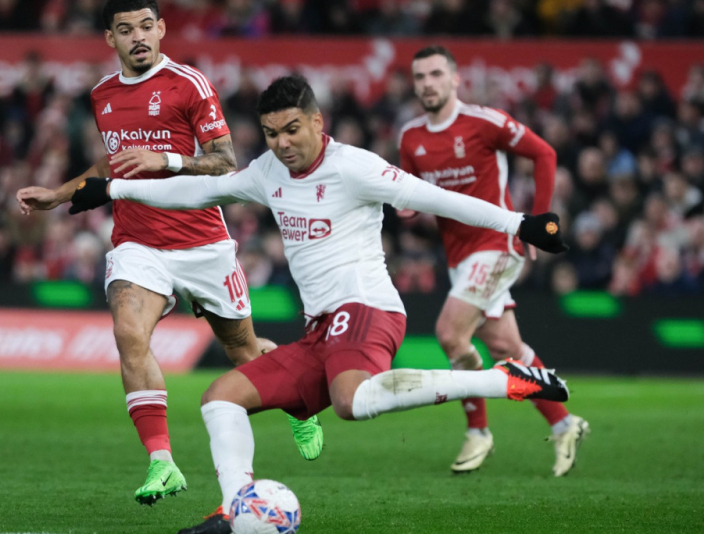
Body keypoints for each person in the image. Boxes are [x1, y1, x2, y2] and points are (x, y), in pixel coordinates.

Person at [68, 74, 571, 534]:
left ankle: (504, 380)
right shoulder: (268, 171)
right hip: (321, 329)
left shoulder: (354, 167)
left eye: (291, 130)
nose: (282, 143)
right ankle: (235, 508)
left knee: (351, 402)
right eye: (271, 133)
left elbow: (437, 198)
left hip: (367, 307)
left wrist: (521, 224)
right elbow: (204, 190)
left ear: (316, 121)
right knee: (220, 397)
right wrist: (112, 188)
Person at [14, 0, 323, 507]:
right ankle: (162, 462)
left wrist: (167, 159)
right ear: (110, 39)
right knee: (128, 332)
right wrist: (58, 193)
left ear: (160, 29)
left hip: (202, 243)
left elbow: (225, 161)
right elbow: (112, 163)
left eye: (145, 26)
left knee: (244, 353)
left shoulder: (189, 84)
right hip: (137, 242)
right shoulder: (103, 94)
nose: (137, 37)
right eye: (125, 30)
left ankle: (300, 405)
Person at [397, 45, 589, 476]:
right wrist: (404, 211)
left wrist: (540, 222)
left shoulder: (484, 121)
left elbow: (544, 153)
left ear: (455, 78)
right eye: (420, 77)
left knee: (450, 335)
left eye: (435, 74)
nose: (427, 83)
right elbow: (410, 197)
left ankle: (478, 431)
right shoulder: (410, 137)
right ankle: (565, 424)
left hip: (498, 244)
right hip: (458, 257)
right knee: (505, 347)